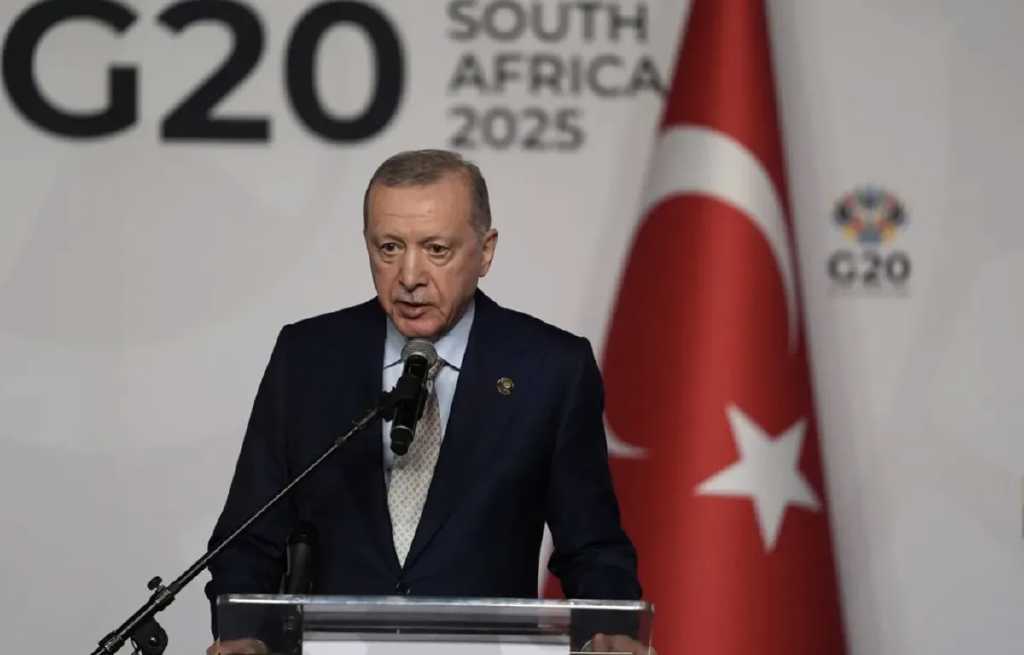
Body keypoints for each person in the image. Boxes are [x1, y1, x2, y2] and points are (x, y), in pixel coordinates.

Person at [205, 150, 642, 654]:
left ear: (485, 252)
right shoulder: (309, 358)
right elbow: (248, 538)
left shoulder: (550, 369)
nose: (409, 276)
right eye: (389, 248)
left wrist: (615, 630)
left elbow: (592, 546)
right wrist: (243, 634)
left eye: (436, 249)